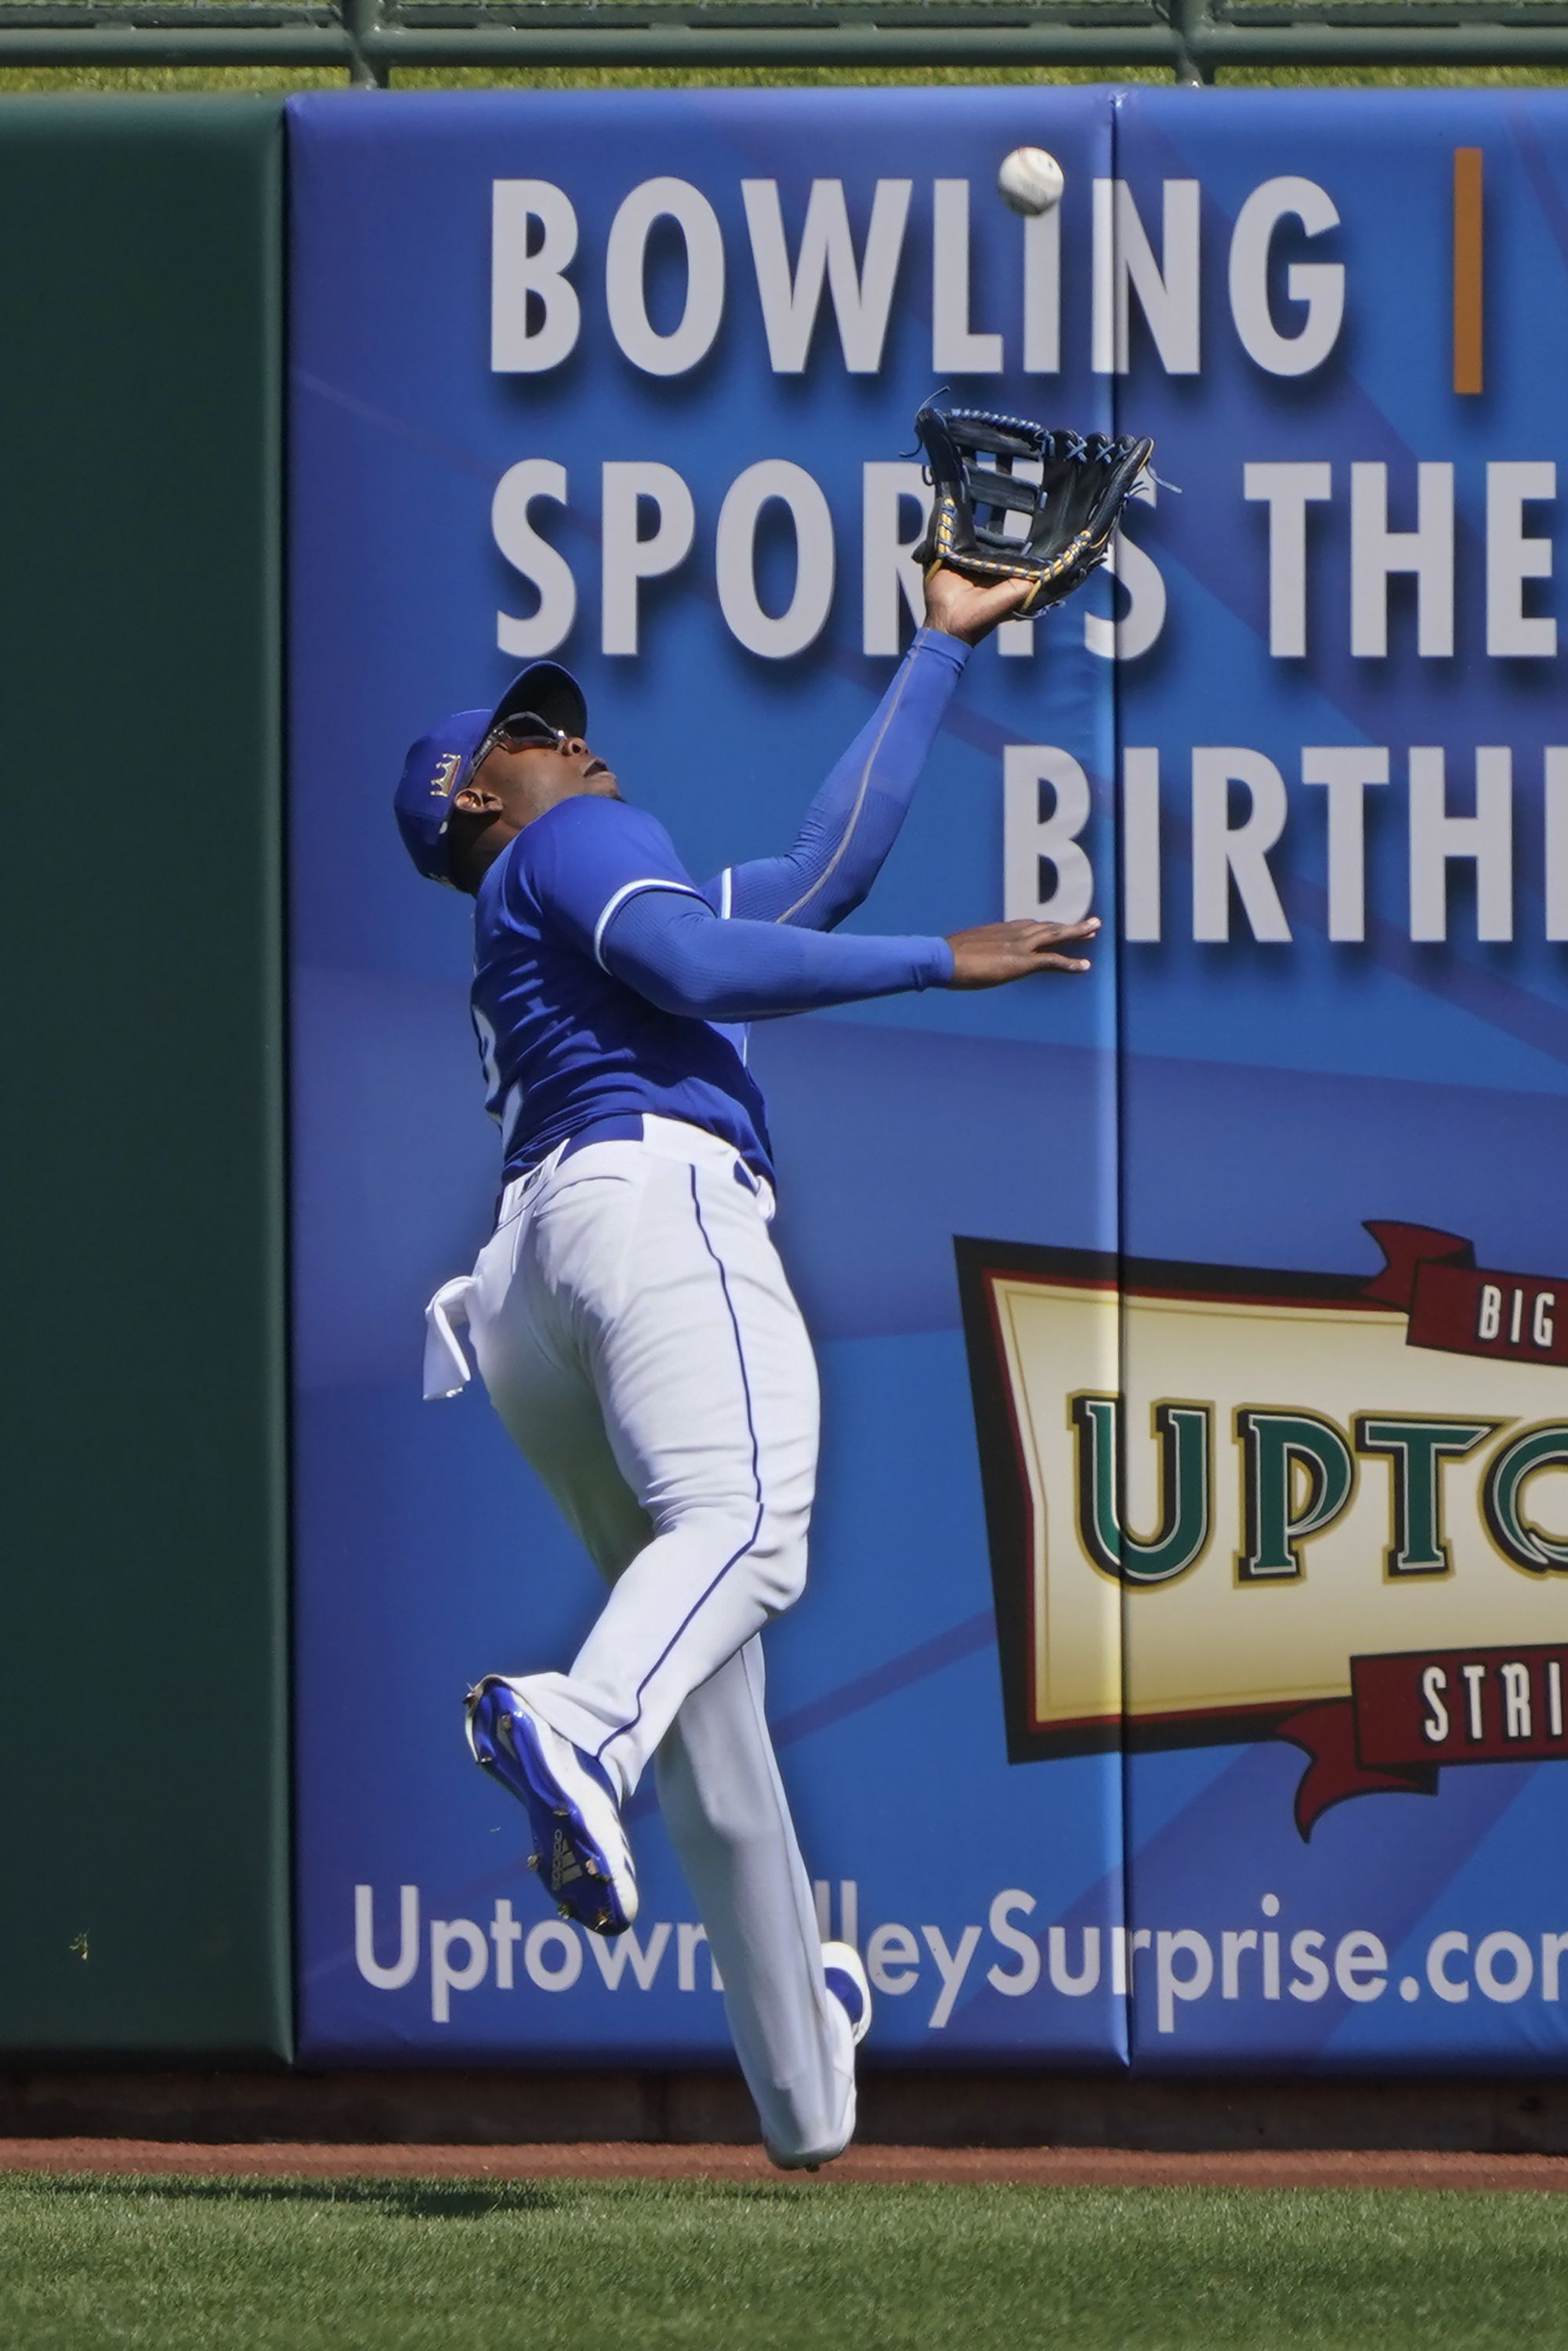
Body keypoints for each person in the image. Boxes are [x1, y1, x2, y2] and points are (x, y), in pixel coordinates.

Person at [395, 563, 1099, 2168]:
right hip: (645, 1206)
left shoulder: (546, 903)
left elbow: (816, 874)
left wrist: (935, 643)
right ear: (481, 800)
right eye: (533, 739)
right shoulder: (567, 848)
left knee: (711, 1710)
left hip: (530, 1291)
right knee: (750, 1527)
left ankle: (801, 2089)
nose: (578, 749)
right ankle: (571, 1722)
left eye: (562, 733)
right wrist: (951, 958)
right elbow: (708, 974)